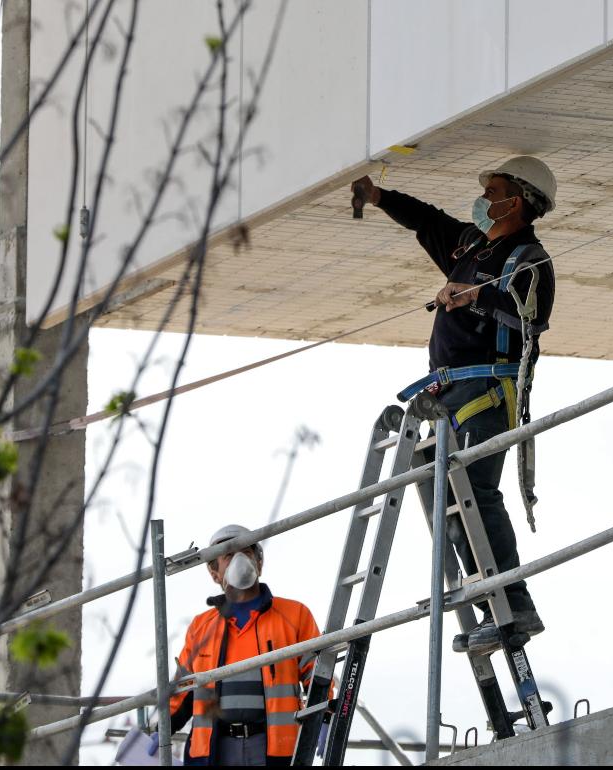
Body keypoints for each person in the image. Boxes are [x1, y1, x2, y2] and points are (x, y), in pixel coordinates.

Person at [350, 156, 558, 654]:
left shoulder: (530, 260)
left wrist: (476, 299)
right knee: (451, 503)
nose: (485, 199)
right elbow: (428, 220)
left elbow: (531, 325)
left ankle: (515, 606)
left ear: (520, 201)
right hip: (448, 391)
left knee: (477, 495)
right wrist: (380, 198)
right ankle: (494, 605)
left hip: (488, 390)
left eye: (495, 191)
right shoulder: (470, 245)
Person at [158, 524, 321, 765]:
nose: (239, 560)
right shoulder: (202, 627)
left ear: (259, 562)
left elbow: (318, 675)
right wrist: (159, 729)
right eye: (229, 555)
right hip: (215, 749)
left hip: (273, 748)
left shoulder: (294, 615)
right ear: (215, 573)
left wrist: (325, 718)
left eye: (246, 551)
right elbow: (183, 692)